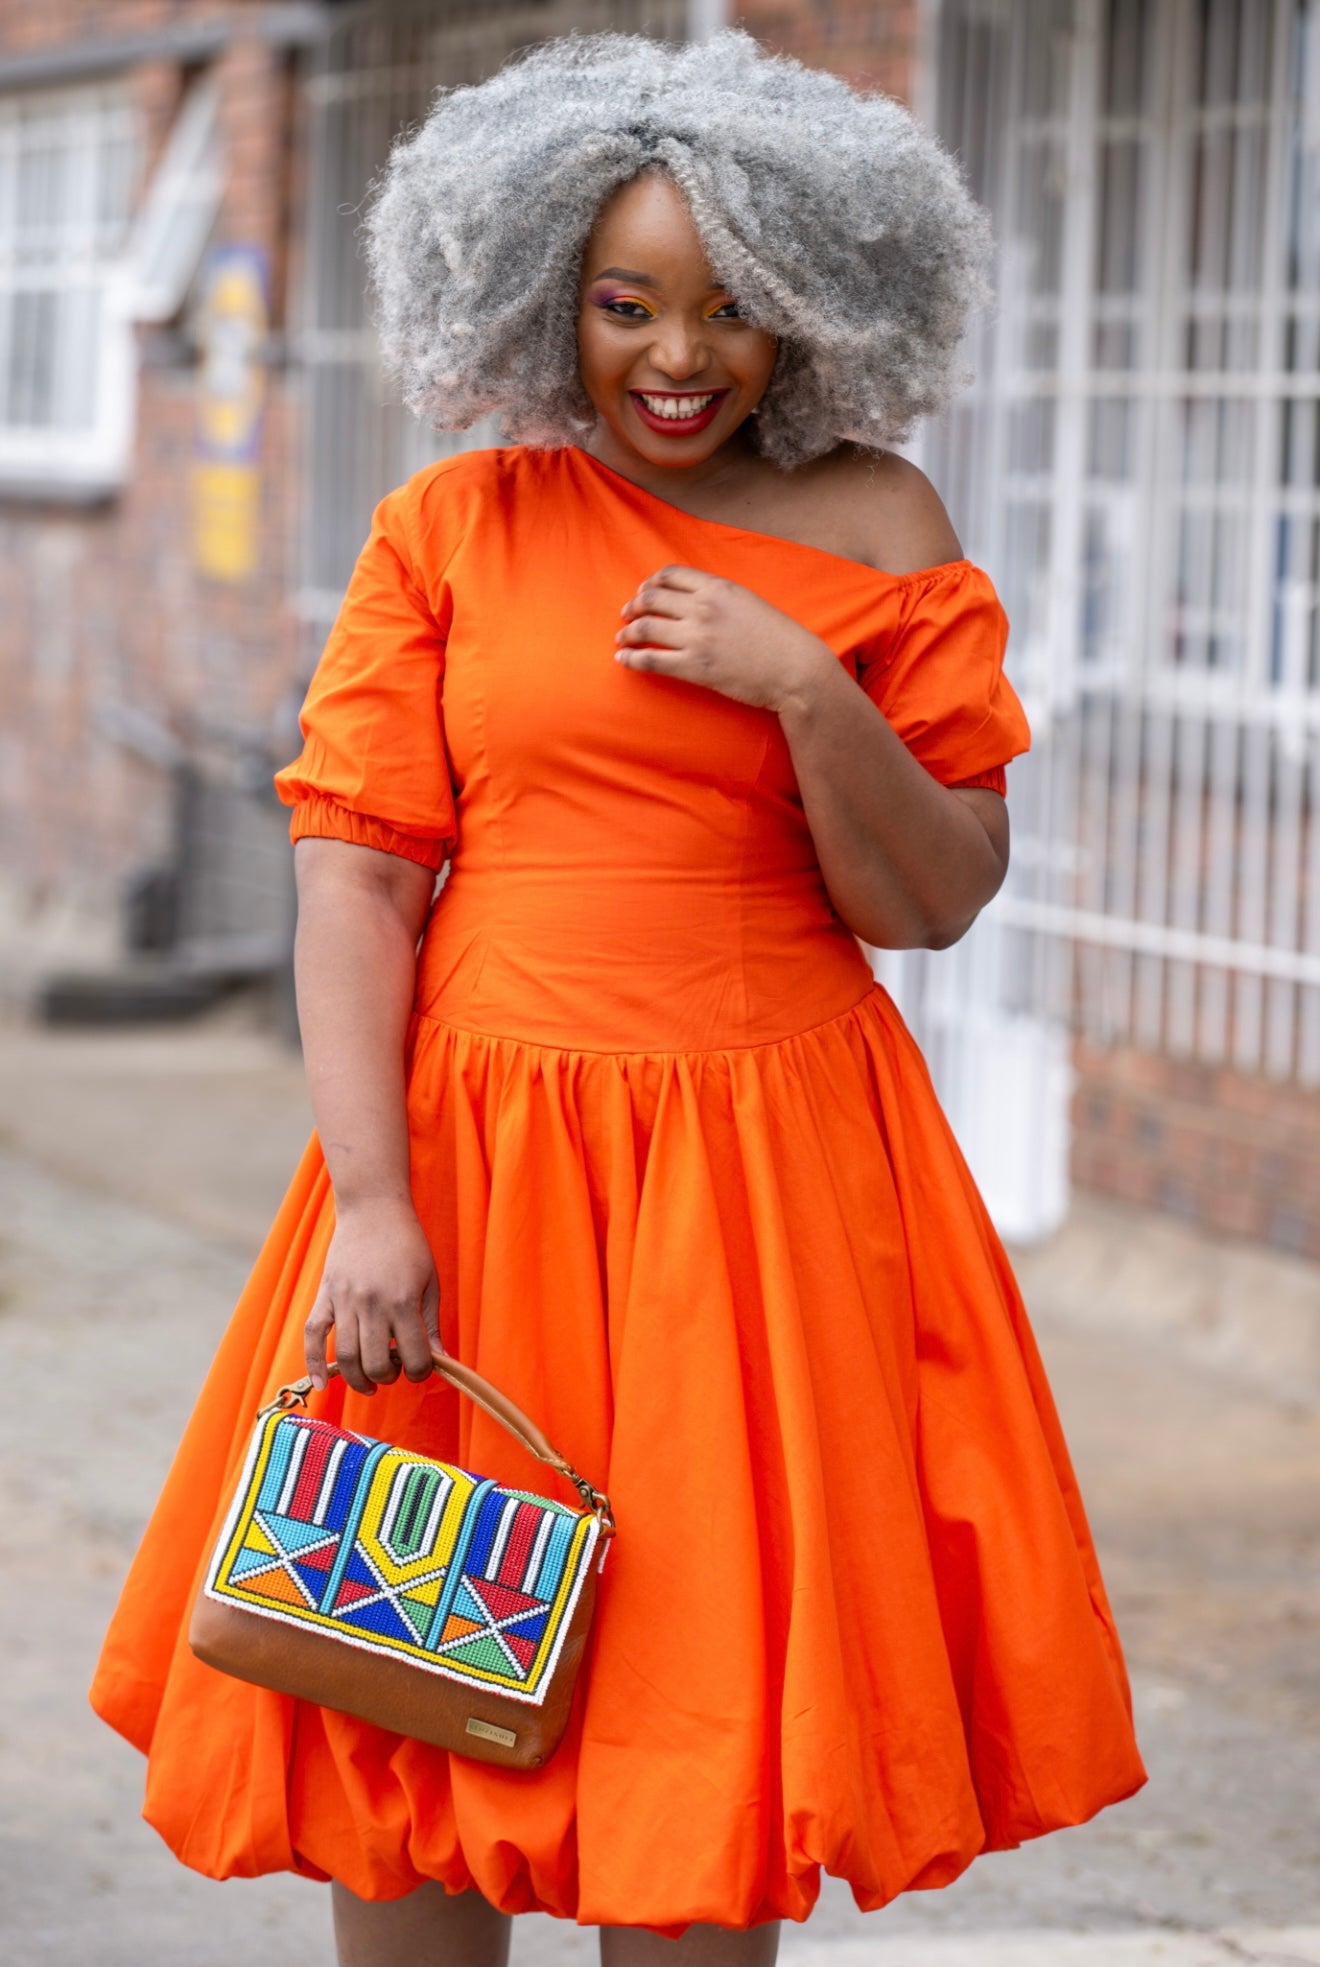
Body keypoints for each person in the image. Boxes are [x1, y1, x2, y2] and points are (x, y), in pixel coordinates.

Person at [90, 29, 1147, 1967]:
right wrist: (376, 1199)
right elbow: (354, 882)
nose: (680, 356)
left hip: (755, 1199)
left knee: (701, 1723)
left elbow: (934, 895)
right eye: (627, 303)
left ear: (810, 301)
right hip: (472, 1176)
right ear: (546, 294)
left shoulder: (879, 526)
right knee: (408, 1700)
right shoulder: (457, 523)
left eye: (732, 307)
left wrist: (804, 686)